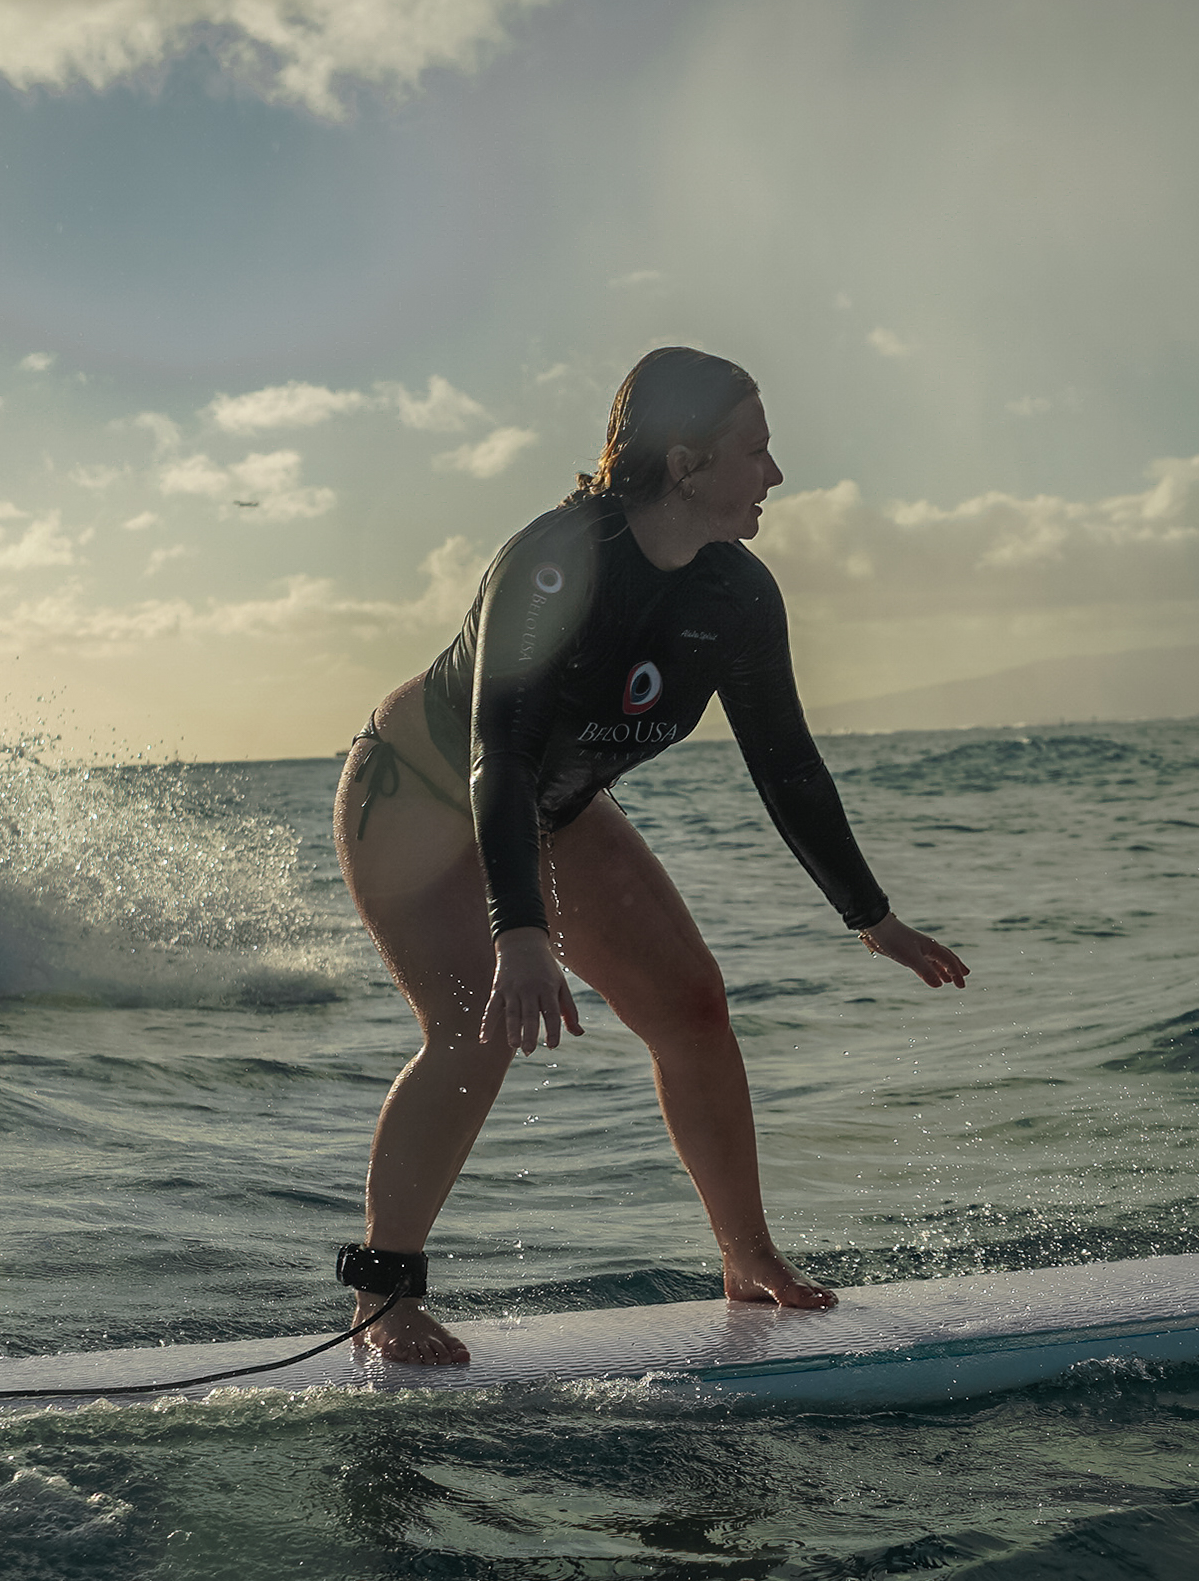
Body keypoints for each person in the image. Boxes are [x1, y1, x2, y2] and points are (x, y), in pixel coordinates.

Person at [330, 346, 971, 1363]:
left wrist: (871, 916)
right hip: (422, 790)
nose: (774, 474)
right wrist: (521, 933)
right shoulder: (554, 563)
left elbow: (786, 763)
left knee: (691, 1001)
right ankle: (384, 1295)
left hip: (551, 803)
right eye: (753, 450)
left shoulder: (736, 597)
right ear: (684, 462)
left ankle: (747, 1256)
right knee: (472, 1027)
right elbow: (501, 753)